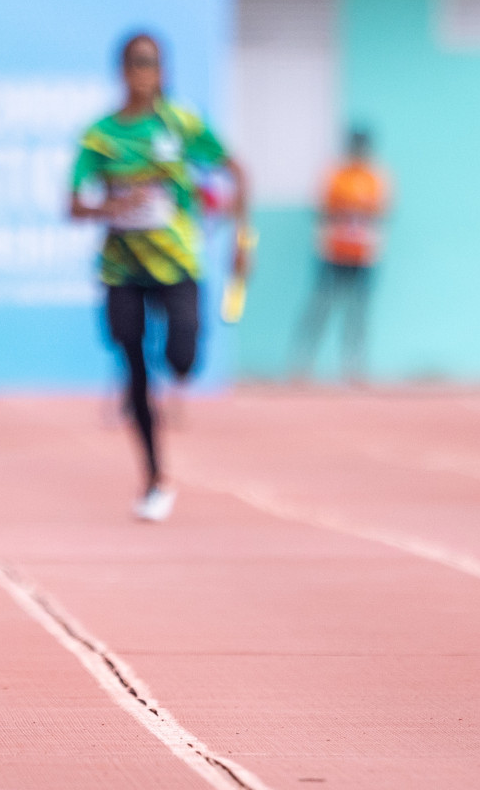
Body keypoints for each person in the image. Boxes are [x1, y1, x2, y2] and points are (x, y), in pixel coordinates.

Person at [69, 33, 248, 523]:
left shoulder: (181, 123)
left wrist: (242, 239)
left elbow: (236, 170)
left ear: (162, 70)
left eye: (153, 63)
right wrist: (112, 205)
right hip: (122, 268)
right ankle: (153, 478)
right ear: (122, 71)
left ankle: (176, 369)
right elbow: (73, 204)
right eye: (136, 63)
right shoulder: (100, 136)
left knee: (183, 359)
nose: (145, 73)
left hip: (177, 264)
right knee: (137, 372)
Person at [291, 129, 391, 382]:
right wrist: (344, 213)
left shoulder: (375, 177)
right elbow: (319, 209)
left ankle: (354, 367)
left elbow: (384, 212)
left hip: (364, 255)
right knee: (320, 308)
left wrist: (361, 215)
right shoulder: (335, 174)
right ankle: (303, 365)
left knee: (358, 312)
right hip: (333, 252)